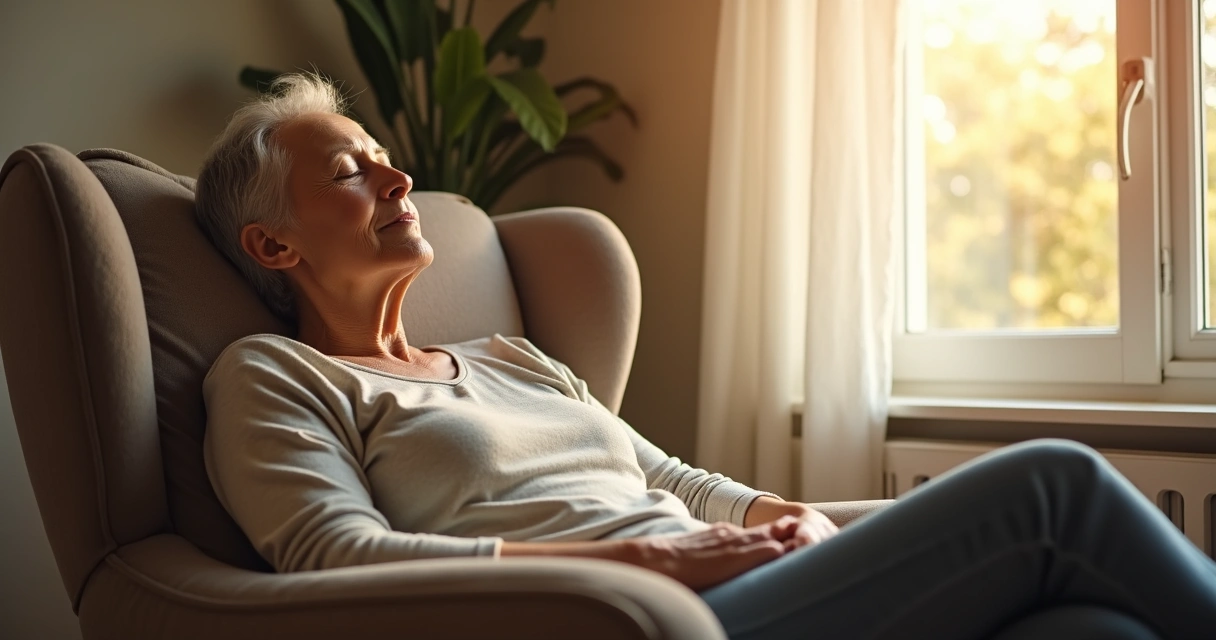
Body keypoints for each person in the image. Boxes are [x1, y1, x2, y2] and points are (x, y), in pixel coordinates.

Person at [195, 73, 1216, 640]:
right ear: (275, 245)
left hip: (720, 582)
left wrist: (780, 514)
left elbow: (664, 476)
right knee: (1056, 486)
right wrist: (642, 558)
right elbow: (338, 562)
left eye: (381, 155)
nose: (397, 174)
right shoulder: (275, 377)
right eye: (348, 169)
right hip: (627, 620)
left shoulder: (505, 355)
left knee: (1088, 632)